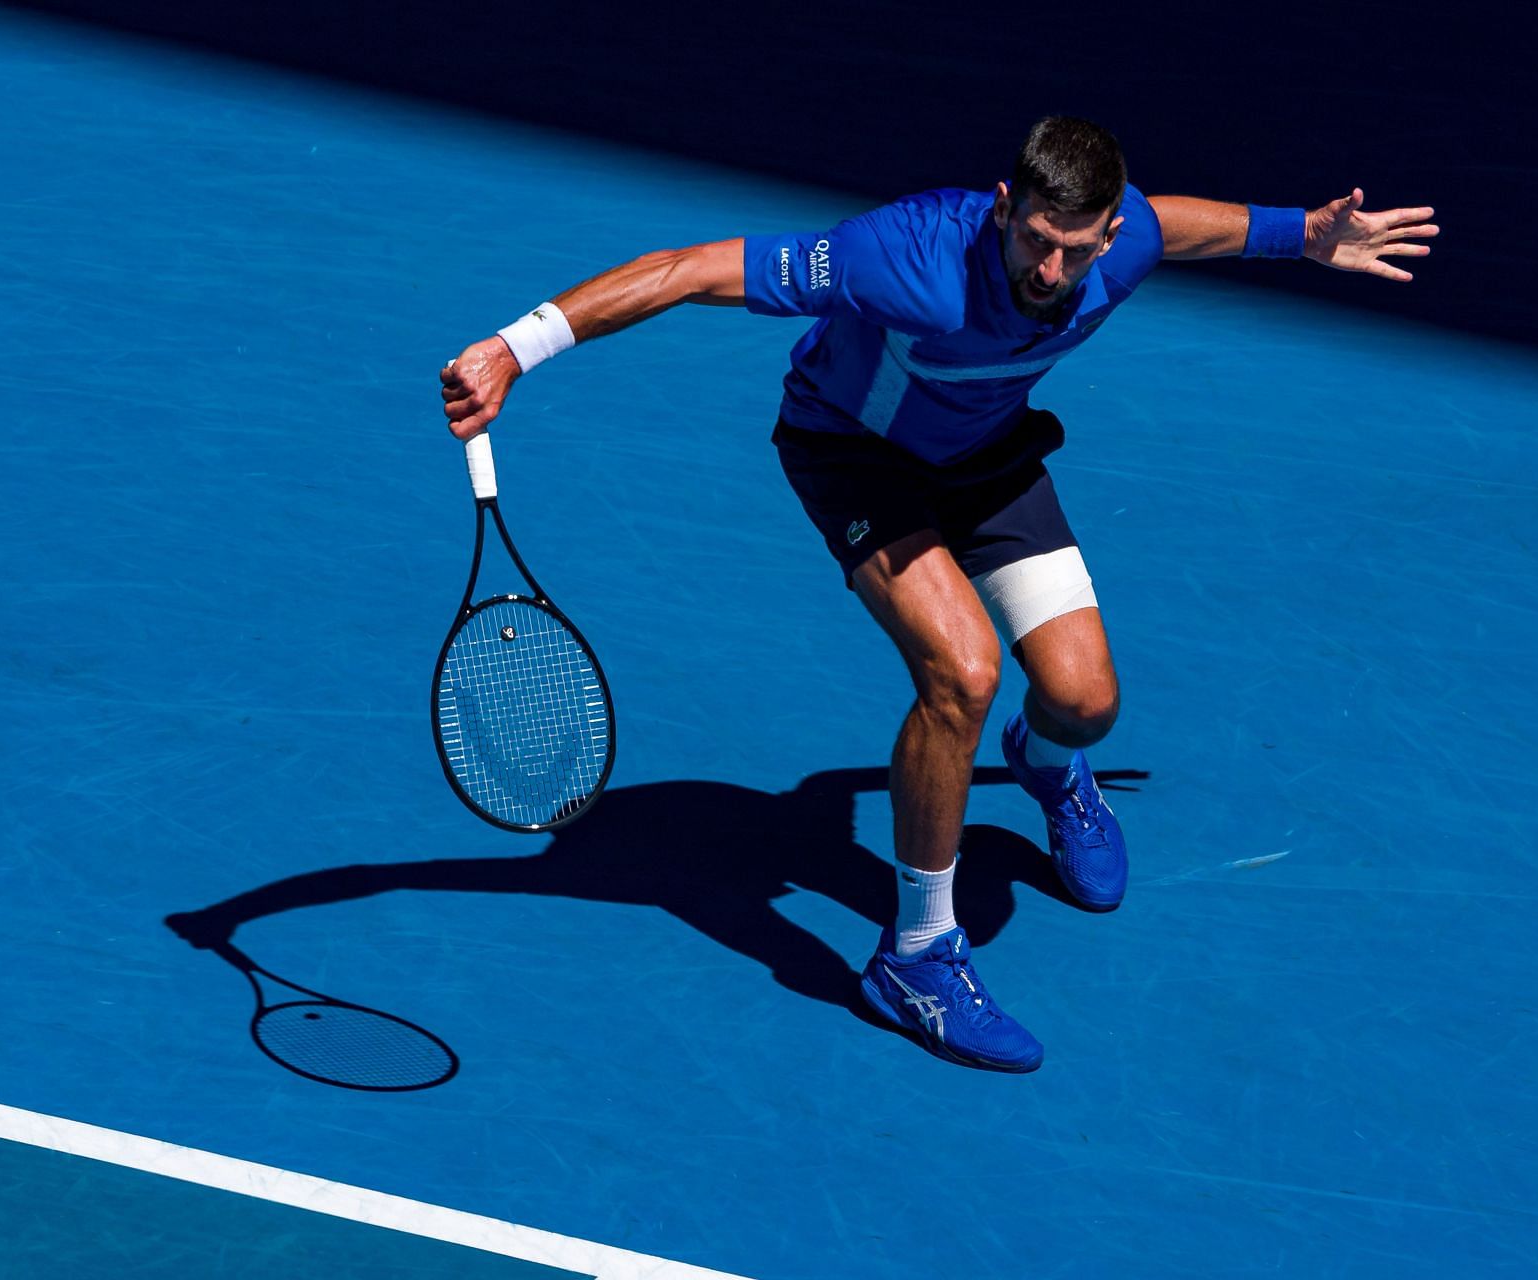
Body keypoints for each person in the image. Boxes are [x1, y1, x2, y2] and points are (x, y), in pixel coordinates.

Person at [438, 116, 1437, 1072]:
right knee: (963, 672)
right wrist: (515, 347)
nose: (1052, 272)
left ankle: (1047, 765)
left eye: (1077, 249)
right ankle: (915, 958)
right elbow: (695, 269)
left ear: (1107, 234)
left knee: (1086, 702)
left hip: (987, 457)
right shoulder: (900, 257)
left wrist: (1299, 234)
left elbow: (1176, 222)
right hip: (859, 458)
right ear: (1004, 207)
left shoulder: (1122, 243)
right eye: (1037, 240)